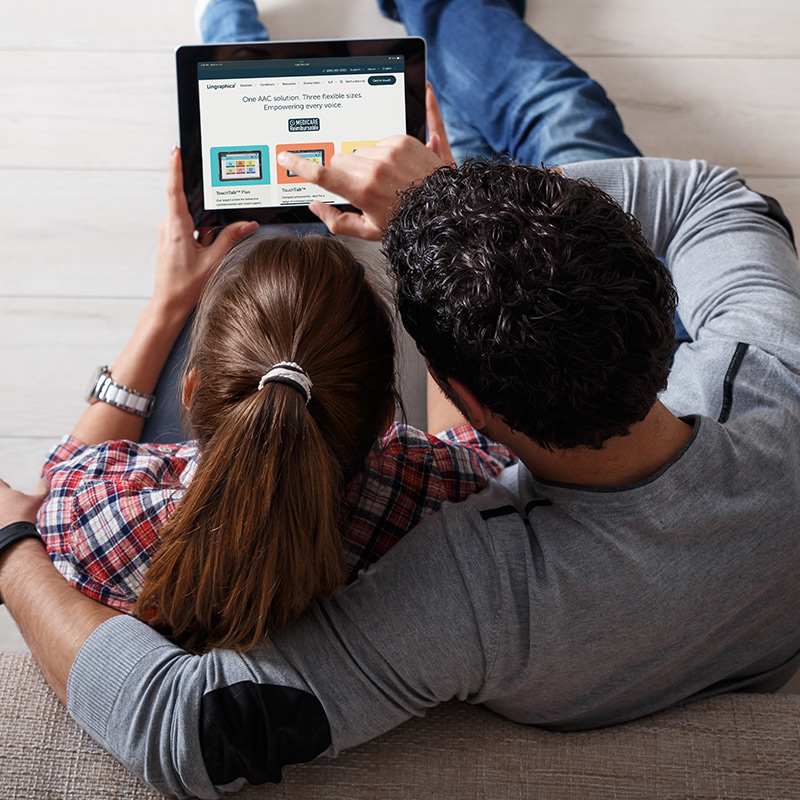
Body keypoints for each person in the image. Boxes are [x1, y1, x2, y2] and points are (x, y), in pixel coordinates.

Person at [1, 1, 799, 798]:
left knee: (543, 108)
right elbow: (714, 199)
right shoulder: (771, 379)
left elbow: (187, 729)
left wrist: (13, 546)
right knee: (564, 114)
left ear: (458, 399)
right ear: (663, 317)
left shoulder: (475, 592)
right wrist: (458, 208)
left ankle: (293, 32)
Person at [36, 151, 513, 654]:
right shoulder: (440, 498)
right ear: (386, 421)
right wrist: (436, 254)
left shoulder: (100, 518)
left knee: (263, 247)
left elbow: (58, 480)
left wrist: (168, 304)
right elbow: (475, 453)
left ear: (192, 389)